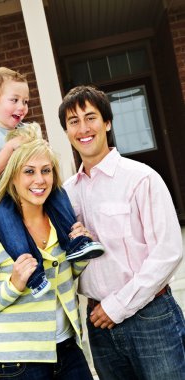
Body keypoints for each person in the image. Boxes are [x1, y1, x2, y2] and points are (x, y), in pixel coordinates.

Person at [59, 85, 185, 380]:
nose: (83, 128)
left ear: (107, 123)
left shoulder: (141, 178)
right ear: (66, 131)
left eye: (90, 117)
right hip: (100, 327)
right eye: (73, 121)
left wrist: (117, 307)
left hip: (151, 319)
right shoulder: (66, 194)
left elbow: (168, 252)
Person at [0, 127, 94, 380]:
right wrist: (13, 285)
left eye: (46, 171)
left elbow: (67, 279)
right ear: (12, 177)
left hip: (69, 352)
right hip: (17, 364)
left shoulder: (62, 223)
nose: (40, 180)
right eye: (29, 172)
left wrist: (82, 252)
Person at [0, 67, 104, 298]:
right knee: (9, 224)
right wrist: (11, 146)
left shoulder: (26, 129)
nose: (21, 107)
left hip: (22, 188)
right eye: (14, 100)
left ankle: (74, 241)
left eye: (25, 101)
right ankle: (34, 275)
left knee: (56, 192)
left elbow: (39, 158)